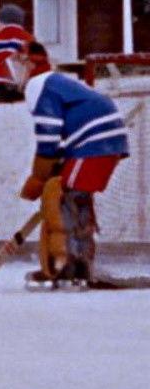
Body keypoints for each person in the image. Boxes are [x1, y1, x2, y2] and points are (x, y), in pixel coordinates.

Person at [17, 42, 128, 284]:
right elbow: (59, 136)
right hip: (100, 139)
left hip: (94, 140)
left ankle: (67, 265)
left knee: (61, 195)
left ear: (30, 64)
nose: (14, 71)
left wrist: (38, 176)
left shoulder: (38, 85)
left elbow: (49, 135)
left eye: (18, 63)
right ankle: (80, 264)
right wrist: (51, 166)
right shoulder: (55, 81)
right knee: (74, 194)